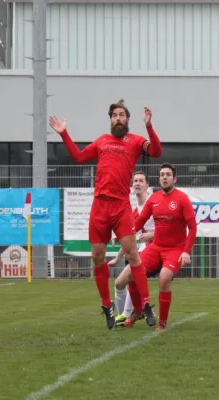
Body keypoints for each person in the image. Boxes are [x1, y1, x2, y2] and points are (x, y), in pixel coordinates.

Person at [49, 99, 162, 329]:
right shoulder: (102, 141)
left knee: (133, 255)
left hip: (120, 207)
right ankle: (106, 304)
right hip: (100, 207)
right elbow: (79, 157)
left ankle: (147, 304)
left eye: (122, 115)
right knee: (97, 258)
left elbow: (157, 152)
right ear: (110, 119)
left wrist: (149, 126)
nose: (118, 118)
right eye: (115, 115)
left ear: (127, 120)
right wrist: (64, 134)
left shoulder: (135, 141)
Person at [122, 163, 197, 331]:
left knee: (164, 278)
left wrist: (186, 251)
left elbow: (192, 228)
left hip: (175, 250)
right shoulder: (154, 198)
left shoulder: (182, 199)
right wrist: (122, 233)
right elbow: (139, 222)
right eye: (162, 174)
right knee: (132, 272)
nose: (164, 177)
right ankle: (138, 311)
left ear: (174, 179)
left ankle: (162, 323)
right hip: (156, 247)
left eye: (168, 174)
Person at [108, 171, 156, 326]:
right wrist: (117, 257)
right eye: (135, 181)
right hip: (143, 252)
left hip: (159, 251)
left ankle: (132, 313)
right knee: (119, 283)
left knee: (127, 278)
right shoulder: (134, 212)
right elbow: (130, 239)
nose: (137, 183)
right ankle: (128, 315)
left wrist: (152, 234)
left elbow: (172, 228)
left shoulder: (155, 204)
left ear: (147, 185)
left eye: (141, 181)